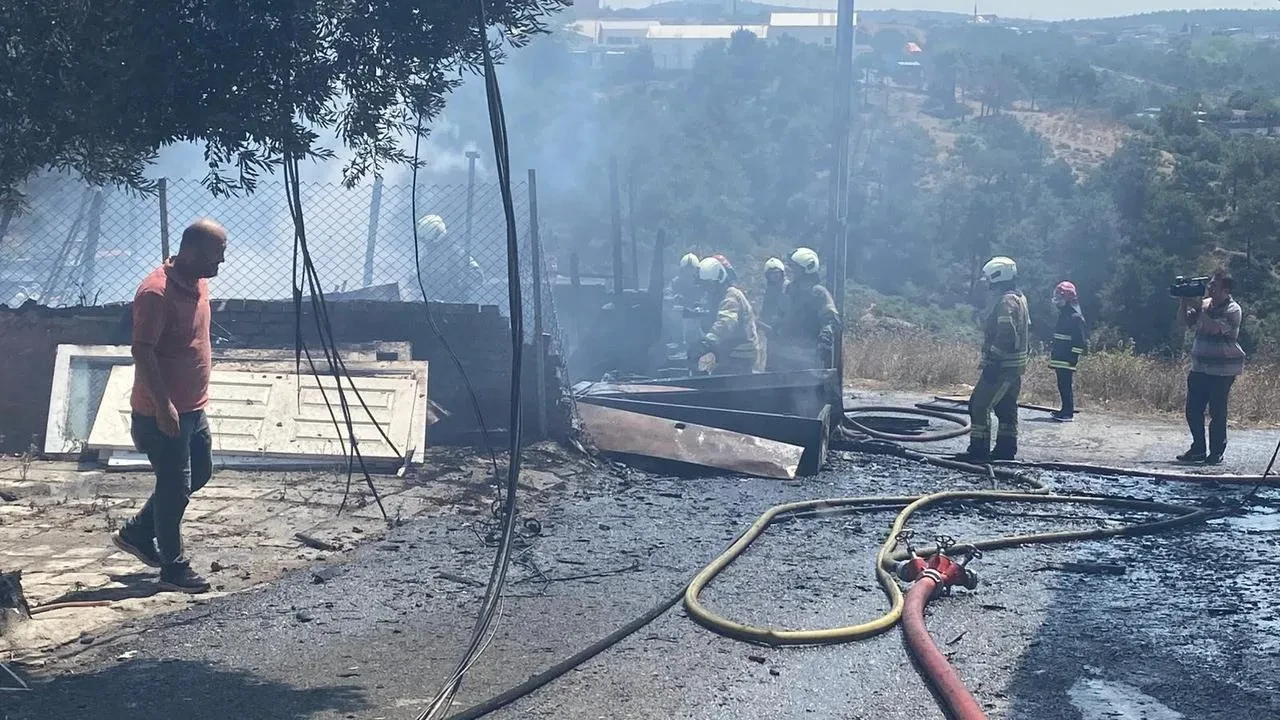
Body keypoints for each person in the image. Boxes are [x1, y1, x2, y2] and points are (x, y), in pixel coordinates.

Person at [110, 219, 227, 594]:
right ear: (191, 252)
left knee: (201, 472)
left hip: (195, 407)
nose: (220, 264)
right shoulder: (155, 293)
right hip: (162, 413)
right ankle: (173, 566)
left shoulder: (197, 280)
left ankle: (137, 533)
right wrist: (164, 407)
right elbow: (142, 353)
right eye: (215, 256)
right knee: (174, 486)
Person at [957, 256, 1030, 463]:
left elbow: (1006, 334)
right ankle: (1006, 450)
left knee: (979, 405)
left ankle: (979, 450)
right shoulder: (1019, 298)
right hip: (1014, 366)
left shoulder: (1006, 301)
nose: (987, 283)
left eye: (989, 278)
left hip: (1002, 365)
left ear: (997, 277)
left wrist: (993, 361)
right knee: (1006, 408)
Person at [1177, 270, 1245, 465]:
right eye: (1210, 285)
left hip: (1222, 370)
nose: (1210, 288)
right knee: (1193, 409)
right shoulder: (1205, 304)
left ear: (1226, 289)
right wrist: (1183, 302)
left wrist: (1199, 307)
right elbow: (1184, 322)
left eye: (1214, 285)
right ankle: (1198, 448)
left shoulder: (1233, 310)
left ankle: (1216, 452)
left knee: (1217, 412)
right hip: (1199, 367)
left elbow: (1214, 328)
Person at [690, 256, 762, 375]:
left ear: (719, 279)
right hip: (729, 351)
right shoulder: (717, 296)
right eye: (704, 285)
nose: (706, 288)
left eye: (709, 284)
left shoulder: (730, 296)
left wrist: (706, 343)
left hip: (740, 354)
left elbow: (726, 323)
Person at [772, 248, 840, 371]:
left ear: (807, 268)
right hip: (785, 356)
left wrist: (824, 340)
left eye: (795, 268)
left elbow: (830, 319)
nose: (791, 271)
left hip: (809, 357)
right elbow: (781, 314)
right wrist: (776, 325)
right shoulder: (789, 290)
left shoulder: (818, 293)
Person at [409, 214, 485, 303]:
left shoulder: (456, 252)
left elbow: (478, 276)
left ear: (436, 237)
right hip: (429, 303)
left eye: (427, 241)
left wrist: (456, 287)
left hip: (451, 305)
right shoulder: (428, 254)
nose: (426, 244)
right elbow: (418, 277)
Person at [1048, 281, 1087, 422]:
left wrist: (1072, 358)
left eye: (1060, 298)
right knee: (1062, 385)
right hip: (1060, 358)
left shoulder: (1075, 317)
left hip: (1066, 359)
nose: (1057, 301)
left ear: (1068, 299)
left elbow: (1080, 342)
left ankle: (1067, 413)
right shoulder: (1064, 315)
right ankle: (1064, 410)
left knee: (1065, 386)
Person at [758, 257, 787, 370]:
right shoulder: (770, 290)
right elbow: (765, 312)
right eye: (771, 274)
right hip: (772, 336)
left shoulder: (788, 288)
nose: (774, 276)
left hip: (785, 335)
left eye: (777, 273)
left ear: (782, 273)